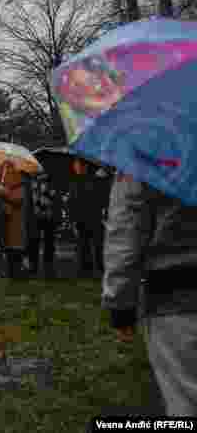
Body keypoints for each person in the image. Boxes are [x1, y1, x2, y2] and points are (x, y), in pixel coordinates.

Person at [103, 174, 197, 416]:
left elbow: (126, 226)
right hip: (176, 293)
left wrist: (120, 304)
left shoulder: (146, 146)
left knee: (186, 403)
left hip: (177, 294)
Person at [0, 166, 35, 280]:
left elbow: (18, 199)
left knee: (15, 250)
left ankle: (17, 274)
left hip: (17, 221)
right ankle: (11, 273)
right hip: (7, 220)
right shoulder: (3, 175)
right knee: (9, 250)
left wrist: (4, 192)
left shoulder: (21, 181)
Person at [27, 173, 60, 279]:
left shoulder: (50, 185)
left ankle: (48, 268)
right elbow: (33, 201)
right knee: (34, 242)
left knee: (49, 243)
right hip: (36, 217)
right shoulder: (33, 185)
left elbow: (53, 198)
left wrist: (46, 192)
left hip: (48, 217)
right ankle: (33, 267)